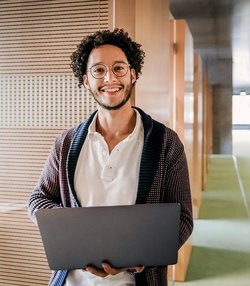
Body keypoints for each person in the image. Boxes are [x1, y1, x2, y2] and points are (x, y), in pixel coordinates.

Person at [28, 28, 193, 286]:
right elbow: (38, 199)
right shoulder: (66, 143)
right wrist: (76, 235)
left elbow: (182, 219)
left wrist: (141, 256)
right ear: (85, 80)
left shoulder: (165, 143)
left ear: (133, 74)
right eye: (98, 70)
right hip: (71, 281)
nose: (110, 78)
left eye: (119, 68)